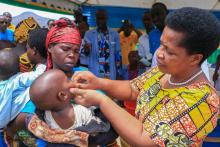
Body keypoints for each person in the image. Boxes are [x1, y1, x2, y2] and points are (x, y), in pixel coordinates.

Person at [70, 7, 220, 146]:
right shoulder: (164, 72)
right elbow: (132, 89)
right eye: (161, 45)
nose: (159, 54)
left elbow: (145, 139)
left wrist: (101, 100)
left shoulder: (203, 99)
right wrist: (98, 83)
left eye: (169, 51)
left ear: (195, 58)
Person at [8, 19, 117, 147]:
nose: (72, 55)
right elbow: (13, 129)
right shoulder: (42, 84)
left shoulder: (84, 75)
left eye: (76, 51)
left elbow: (109, 114)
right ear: (50, 47)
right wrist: (41, 144)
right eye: (65, 49)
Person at [0, 48, 46, 146]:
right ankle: (36, 144)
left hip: (3, 125)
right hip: (10, 121)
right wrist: (41, 65)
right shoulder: (18, 79)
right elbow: (38, 75)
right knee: (24, 136)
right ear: (20, 67)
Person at [83, 9, 122, 80]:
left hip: (110, 73)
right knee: (95, 91)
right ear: (96, 19)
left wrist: (119, 72)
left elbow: (118, 55)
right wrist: (86, 49)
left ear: (106, 19)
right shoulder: (89, 34)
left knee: (109, 90)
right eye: (98, 18)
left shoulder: (114, 34)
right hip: (94, 72)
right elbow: (85, 54)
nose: (100, 21)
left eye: (102, 18)